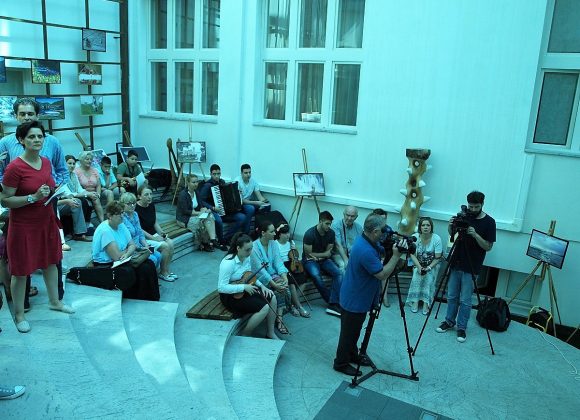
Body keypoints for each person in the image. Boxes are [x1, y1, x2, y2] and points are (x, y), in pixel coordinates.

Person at [0, 121, 74, 333]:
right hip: (23, 226)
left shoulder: (46, 162)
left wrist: (55, 191)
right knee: (21, 271)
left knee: (51, 262)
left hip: (46, 221)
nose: (37, 140)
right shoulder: (14, 167)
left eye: (40, 136)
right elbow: (5, 200)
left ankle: (55, 302)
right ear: (21, 140)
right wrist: (32, 197)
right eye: (31, 137)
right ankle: (19, 315)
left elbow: (47, 187)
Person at [333, 213, 403, 376]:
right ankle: (341, 363)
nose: (385, 232)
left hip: (357, 295)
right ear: (375, 231)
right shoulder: (365, 251)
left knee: (354, 331)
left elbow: (380, 250)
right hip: (354, 300)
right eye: (383, 230)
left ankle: (352, 354)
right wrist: (396, 256)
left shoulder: (365, 239)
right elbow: (382, 275)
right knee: (348, 334)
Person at [436, 191, 496, 343]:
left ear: (482, 204)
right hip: (456, 261)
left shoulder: (489, 222)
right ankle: (449, 321)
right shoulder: (463, 216)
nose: (473, 210)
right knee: (452, 295)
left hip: (472, 264)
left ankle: (462, 327)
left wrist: (475, 235)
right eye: (471, 206)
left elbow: (488, 247)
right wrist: (450, 226)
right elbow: (452, 234)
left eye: (476, 207)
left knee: (465, 299)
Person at [92, 201, 160, 301]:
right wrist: (129, 250)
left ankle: (151, 297)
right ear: (110, 216)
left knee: (149, 263)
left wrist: (127, 253)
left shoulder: (121, 224)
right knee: (142, 269)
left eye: (122, 212)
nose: (122, 216)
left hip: (122, 258)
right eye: (119, 214)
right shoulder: (105, 231)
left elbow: (132, 245)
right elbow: (117, 256)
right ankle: (141, 297)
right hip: (106, 264)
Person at [217, 233, 279, 339]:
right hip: (231, 296)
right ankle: (245, 334)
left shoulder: (246, 257)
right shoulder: (228, 263)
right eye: (247, 250)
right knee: (264, 307)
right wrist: (244, 287)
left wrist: (262, 286)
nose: (250, 252)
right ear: (238, 248)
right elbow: (221, 287)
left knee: (272, 296)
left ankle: (270, 332)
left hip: (245, 288)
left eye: (251, 249)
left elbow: (249, 276)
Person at [251, 220, 290, 334]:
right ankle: (279, 320)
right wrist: (274, 284)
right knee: (279, 290)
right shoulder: (254, 247)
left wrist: (285, 278)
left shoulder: (273, 243)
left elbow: (278, 262)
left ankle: (279, 317)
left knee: (284, 287)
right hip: (259, 279)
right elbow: (261, 271)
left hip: (272, 275)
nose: (275, 233)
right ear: (263, 233)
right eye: (272, 231)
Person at [302, 211, 343, 317]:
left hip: (323, 260)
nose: (329, 226)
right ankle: (332, 302)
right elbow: (308, 254)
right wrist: (323, 255)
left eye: (330, 224)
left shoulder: (331, 233)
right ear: (320, 221)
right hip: (309, 260)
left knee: (338, 273)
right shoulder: (309, 234)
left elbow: (328, 252)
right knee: (316, 275)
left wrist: (320, 256)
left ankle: (333, 303)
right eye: (327, 223)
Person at [199, 164, 250, 245]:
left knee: (242, 217)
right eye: (214, 174)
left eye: (218, 174)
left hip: (226, 211)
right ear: (210, 174)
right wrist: (212, 207)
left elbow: (229, 195)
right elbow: (201, 201)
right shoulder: (207, 185)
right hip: (214, 211)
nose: (216, 176)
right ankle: (221, 240)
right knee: (219, 221)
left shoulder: (222, 182)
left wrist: (237, 194)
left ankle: (227, 237)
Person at [135, 186, 177, 281]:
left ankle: (166, 270)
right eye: (146, 194)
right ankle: (163, 272)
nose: (149, 197)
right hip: (143, 238)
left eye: (151, 194)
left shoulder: (151, 205)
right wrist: (154, 239)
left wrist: (161, 233)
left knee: (171, 243)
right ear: (139, 196)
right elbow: (139, 230)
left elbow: (154, 222)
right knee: (165, 246)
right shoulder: (136, 209)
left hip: (153, 234)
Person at [175, 174, 223, 252]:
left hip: (194, 215)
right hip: (184, 218)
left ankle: (213, 240)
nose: (196, 184)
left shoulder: (196, 192)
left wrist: (204, 209)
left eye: (197, 182)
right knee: (203, 223)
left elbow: (200, 205)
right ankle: (205, 243)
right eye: (193, 182)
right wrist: (199, 213)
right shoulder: (183, 195)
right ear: (188, 183)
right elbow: (185, 211)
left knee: (210, 216)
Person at [406, 217, 442, 314]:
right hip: (418, 263)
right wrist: (419, 267)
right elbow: (412, 254)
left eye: (428, 225)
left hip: (432, 265)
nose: (425, 227)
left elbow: (438, 258)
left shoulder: (436, 238)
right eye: (423, 225)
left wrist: (429, 268)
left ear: (431, 227)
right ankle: (415, 301)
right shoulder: (415, 237)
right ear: (420, 227)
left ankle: (426, 302)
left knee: (428, 277)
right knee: (417, 275)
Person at [119, 192, 162, 273]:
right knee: (153, 259)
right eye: (128, 204)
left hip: (141, 245)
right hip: (132, 248)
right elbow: (126, 240)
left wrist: (146, 245)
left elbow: (140, 233)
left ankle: (154, 276)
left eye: (134, 203)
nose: (132, 206)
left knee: (158, 255)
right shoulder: (122, 218)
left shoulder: (135, 214)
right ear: (122, 204)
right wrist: (141, 249)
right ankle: (151, 277)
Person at [275, 223, 310, 318]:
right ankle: (299, 306)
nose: (288, 235)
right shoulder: (275, 244)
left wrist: (294, 249)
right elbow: (276, 260)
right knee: (292, 283)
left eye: (288, 233)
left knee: (303, 280)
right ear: (279, 234)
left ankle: (292, 304)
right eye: (285, 233)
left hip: (292, 264)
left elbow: (295, 255)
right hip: (282, 266)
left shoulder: (291, 243)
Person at [57, 155, 92, 242]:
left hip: (70, 199)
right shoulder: (61, 176)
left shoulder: (73, 175)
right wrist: (85, 195)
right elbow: (67, 194)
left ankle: (85, 229)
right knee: (79, 201)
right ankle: (79, 233)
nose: (72, 165)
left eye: (73, 163)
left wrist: (88, 193)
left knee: (88, 199)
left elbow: (80, 189)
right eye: (69, 163)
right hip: (61, 201)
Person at [74, 150, 104, 222]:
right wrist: (88, 194)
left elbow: (98, 185)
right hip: (83, 193)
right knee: (94, 199)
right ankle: (95, 222)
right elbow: (77, 187)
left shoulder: (95, 170)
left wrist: (98, 194)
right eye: (87, 159)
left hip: (94, 193)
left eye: (91, 159)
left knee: (96, 198)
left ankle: (102, 222)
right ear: (81, 160)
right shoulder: (76, 172)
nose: (89, 161)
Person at [331, 206, 363, 272]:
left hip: (352, 255)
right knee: (343, 265)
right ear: (343, 214)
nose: (349, 218)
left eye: (352, 216)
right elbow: (338, 245)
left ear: (356, 217)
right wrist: (346, 260)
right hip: (339, 255)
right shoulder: (336, 225)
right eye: (347, 215)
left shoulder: (359, 228)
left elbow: (359, 245)